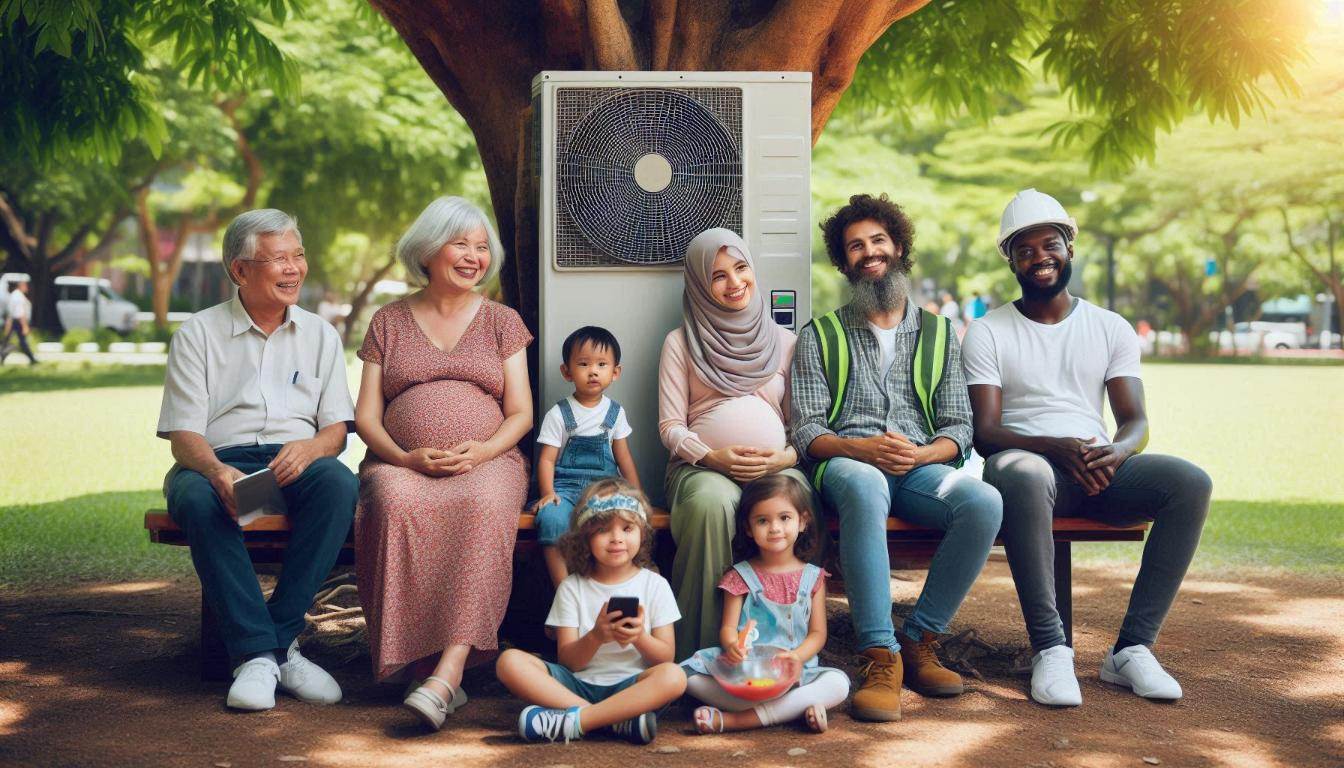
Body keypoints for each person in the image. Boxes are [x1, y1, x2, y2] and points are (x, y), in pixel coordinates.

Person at [963, 188, 1212, 707]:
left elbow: (1135, 421)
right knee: (1026, 473)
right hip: (1026, 471)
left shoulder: (1109, 327)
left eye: (1048, 245)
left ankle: (1132, 650)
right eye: (1024, 250)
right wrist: (1056, 447)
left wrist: (1118, 453)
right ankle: (1051, 650)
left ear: (1069, 248)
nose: (1039, 258)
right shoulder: (987, 332)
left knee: (1190, 483)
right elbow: (985, 433)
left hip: (1098, 470)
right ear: (1009, 259)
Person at [791, 193, 1003, 722]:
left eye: (878, 240)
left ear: (899, 246)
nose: (869, 252)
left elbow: (959, 426)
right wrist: (858, 448)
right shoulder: (821, 335)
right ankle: (879, 654)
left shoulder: (939, 332)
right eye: (855, 246)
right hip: (845, 463)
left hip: (919, 467)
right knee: (863, 485)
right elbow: (806, 430)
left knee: (981, 502)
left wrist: (925, 453)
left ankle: (921, 638)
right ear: (845, 263)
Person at [156, 209, 357, 711]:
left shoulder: (321, 335)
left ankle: (272, 646)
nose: (293, 269)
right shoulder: (198, 334)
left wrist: (311, 448)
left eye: (298, 256)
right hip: (216, 461)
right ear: (239, 270)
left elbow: (336, 430)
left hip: (295, 466)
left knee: (338, 485)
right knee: (199, 500)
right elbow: (184, 435)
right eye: (277, 259)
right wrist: (219, 470)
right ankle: (261, 655)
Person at [353, 196, 533, 730]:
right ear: (429, 250)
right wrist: (406, 457)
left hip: (489, 461)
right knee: (392, 501)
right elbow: (366, 417)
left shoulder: (503, 320)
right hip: (401, 462)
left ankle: (446, 674)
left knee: (483, 505)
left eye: (482, 247)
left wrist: (480, 451)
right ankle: (421, 666)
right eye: (461, 244)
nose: (473, 256)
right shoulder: (388, 320)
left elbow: (520, 413)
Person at [658, 227, 809, 661]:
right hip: (702, 469)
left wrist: (783, 458)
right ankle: (700, 657)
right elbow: (669, 426)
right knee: (711, 505)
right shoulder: (680, 343)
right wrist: (712, 457)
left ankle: (785, 655)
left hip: (776, 467)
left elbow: (802, 429)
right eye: (718, 276)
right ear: (701, 286)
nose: (734, 282)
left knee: (797, 504)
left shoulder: (785, 341)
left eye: (741, 268)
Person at [495, 478, 686, 744]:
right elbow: (569, 662)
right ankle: (614, 721)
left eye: (627, 528)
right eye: (603, 530)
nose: (617, 538)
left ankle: (578, 721)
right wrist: (597, 636)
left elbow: (665, 658)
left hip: (632, 687)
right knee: (509, 662)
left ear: (642, 532)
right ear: (585, 537)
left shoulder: (655, 585)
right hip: (576, 685)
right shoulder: (572, 587)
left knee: (675, 677)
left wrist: (639, 637)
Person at [682, 474, 849, 734]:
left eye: (784, 518)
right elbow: (728, 628)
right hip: (747, 675)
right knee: (687, 677)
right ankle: (794, 709)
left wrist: (796, 657)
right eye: (762, 520)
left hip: (796, 674)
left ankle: (737, 720)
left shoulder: (813, 577)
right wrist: (732, 645)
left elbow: (818, 634)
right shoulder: (739, 576)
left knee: (839, 684)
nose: (775, 528)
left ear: (802, 521)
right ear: (748, 528)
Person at [532, 325, 641, 586]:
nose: (593, 371)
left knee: (613, 519)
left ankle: (604, 587)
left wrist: (636, 492)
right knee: (551, 519)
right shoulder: (559, 414)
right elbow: (546, 459)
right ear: (567, 372)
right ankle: (564, 593)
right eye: (583, 364)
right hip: (565, 488)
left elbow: (623, 458)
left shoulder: (615, 413)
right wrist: (548, 493)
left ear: (615, 372)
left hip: (604, 487)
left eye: (602, 364)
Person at [1, 279, 38, 365]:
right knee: (21, 342)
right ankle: (32, 360)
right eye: (25, 285)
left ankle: (3, 357)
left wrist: (8, 324)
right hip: (18, 322)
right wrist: (25, 326)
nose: (27, 288)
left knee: (10, 341)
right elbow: (20, 313)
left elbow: (11, 313)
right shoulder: (18, 297)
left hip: (15, 321)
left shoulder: (15, 295)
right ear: (21, 286)